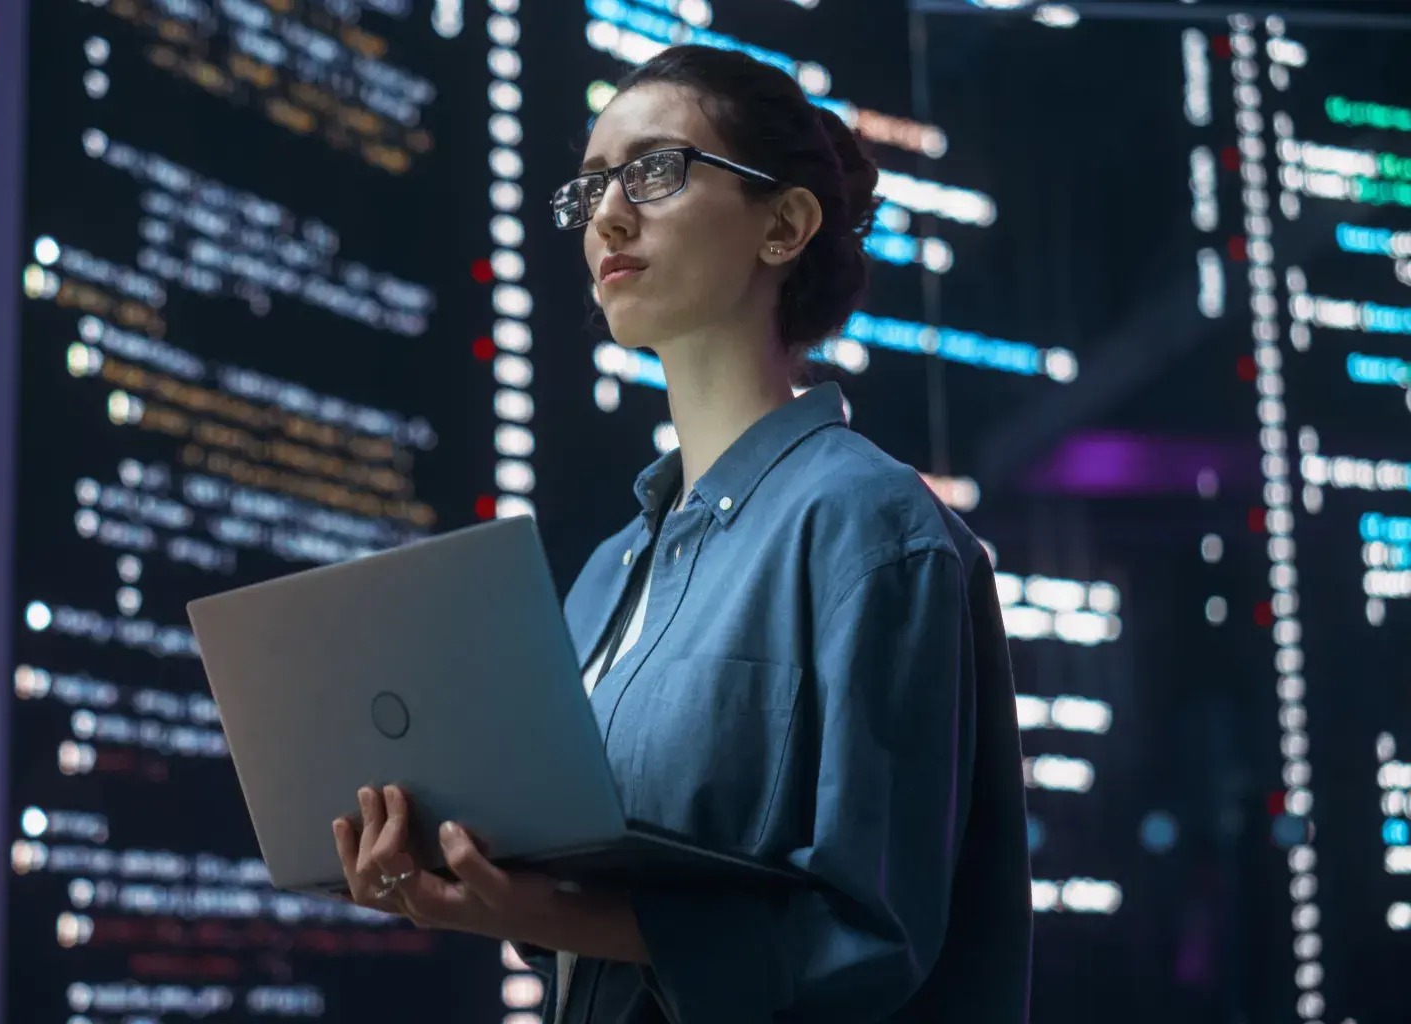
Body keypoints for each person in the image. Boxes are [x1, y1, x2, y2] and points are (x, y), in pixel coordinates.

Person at [331, 43, 1032, 1023]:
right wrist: (456, 877)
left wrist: (572, 914)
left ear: (783, 225)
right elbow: (597, 901)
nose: (608, 215)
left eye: (654, 171)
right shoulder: (603, 579)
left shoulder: (875, 528)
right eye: (589, 189)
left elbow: (871, 937)